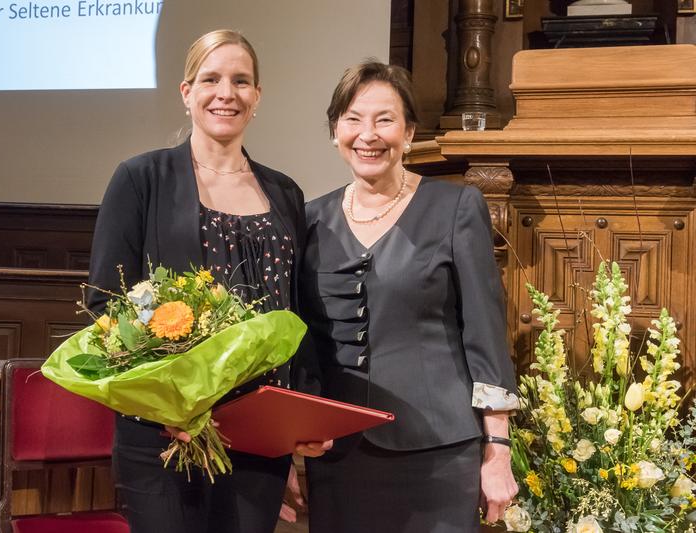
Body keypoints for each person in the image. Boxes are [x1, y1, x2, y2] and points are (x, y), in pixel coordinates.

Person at [87, 29, 325, 533]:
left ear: (257, 97)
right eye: (211, 79)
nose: (226, 93)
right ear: (186, 92)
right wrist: (169, 402)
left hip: (260, 436)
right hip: (165, 436)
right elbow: (105, 306)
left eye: (241, 81)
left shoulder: (284, 192)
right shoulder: (140, 179)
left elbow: (298, 310)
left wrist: (302, 417)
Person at [293, 61, 520, 532]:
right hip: (339, 454)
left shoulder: (456, 207)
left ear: (410, 131)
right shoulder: (309, 217)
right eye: (353, 119)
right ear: (336, 129)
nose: (367, 135)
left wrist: (498, 451)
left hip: (437, 451)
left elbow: (485, 334)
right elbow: (305, 340)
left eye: (384, 120)